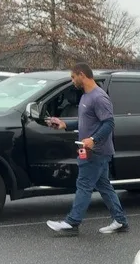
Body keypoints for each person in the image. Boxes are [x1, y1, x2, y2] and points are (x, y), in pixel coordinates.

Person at [45, 62, 129, 235]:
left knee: (83, 184)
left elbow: (109, 123)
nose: (72, 81)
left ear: (82, 75)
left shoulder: (99, 97)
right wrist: (63, 124)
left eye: (73, 77)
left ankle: (72, 223)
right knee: (104, 186)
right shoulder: (86, 96)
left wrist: (93, 139)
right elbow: (85, 121)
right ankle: (120, 221)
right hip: (93, 150)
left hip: (96, 151)